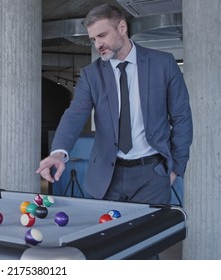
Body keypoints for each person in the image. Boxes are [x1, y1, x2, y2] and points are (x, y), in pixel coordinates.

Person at [37, 4, 193, 205]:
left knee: (147, 236)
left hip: (152, 174)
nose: (98, 44)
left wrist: (176, 168)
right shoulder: (91, 75)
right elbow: (74, 114)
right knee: (107, 235)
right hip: (107, 177)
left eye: (102, 35)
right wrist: (58, 152)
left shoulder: (163, 64)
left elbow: (181, 117)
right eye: (93, 39)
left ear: (121, 27)